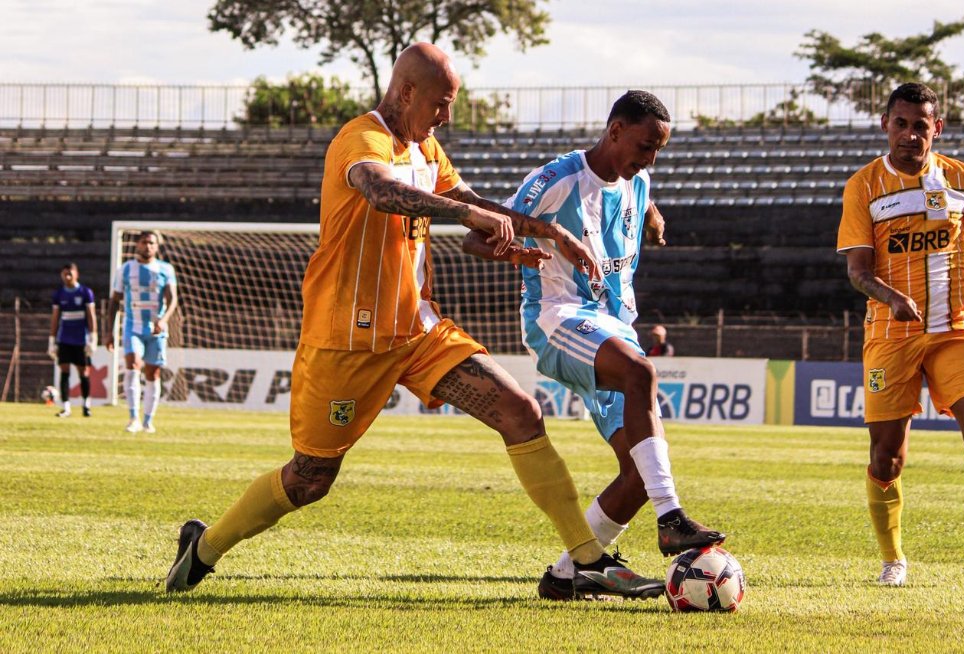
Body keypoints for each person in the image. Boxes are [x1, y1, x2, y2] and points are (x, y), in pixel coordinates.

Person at [165, 43, 664, 601]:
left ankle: (587, 559)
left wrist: (543, 232)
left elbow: (467, 198)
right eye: (441, 103)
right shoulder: (363, 139)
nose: (446, 117)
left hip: (418, 331)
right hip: (347, 341)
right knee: (309, 480)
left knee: (520, 412)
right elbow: (382, 192)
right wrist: (469, 214)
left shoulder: (427, 146)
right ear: (406, 92)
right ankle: (205, 547)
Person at [464, 90, 725, 601]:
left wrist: (651, 212)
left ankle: (567, 575)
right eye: (645, 146)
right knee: (643, 374)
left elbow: (635, 190)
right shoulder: (556, 180)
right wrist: (521, 252)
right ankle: (671, 518)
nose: (650, 159)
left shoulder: (638, 178)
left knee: (635, 474)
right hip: (557, 319)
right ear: (614, 131)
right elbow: (475, 237)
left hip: (613, 328)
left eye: (657, 151)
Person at [837, 82, 964, 587]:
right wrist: (892, 298)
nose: (910, 135)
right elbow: (857, 271)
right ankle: (892, 558)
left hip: (954, 329)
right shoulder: (864, 187)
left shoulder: (963, 179)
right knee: (887, 455)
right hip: (890, 335)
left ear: (936, 129)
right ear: (886, 126)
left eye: (921, 125)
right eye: (901, 124)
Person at [105, 229, 177, 434]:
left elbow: (173, 299)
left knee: (153, 373)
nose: (148, 246)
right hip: (132, 326)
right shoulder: (126, 270)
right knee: (133, 364)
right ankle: (133, 417)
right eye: (145, 242)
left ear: (157, 246)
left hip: (156, 328)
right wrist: (109, 332)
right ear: (137, 244)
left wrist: (163, 320)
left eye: (152, 243)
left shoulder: (165, 269)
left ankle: (148, 420)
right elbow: (114, 301)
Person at [48, 263, 98, 418]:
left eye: (69, 273)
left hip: (81, 340)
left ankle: (86, 405)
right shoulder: (59, 294)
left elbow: (91, 316)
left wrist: (93, 337)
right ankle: (66, 407)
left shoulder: (85, 292)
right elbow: (55, 318)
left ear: (77, 274)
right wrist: (52, 340)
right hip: (64, 339)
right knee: (64, 371)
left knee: (84, 371)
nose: (67, 276)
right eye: (64, 273)